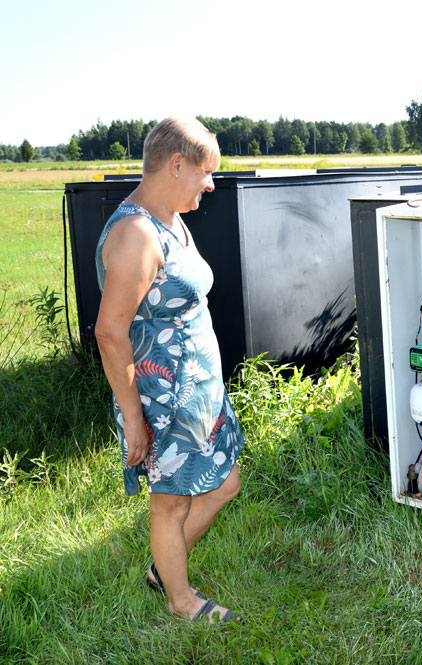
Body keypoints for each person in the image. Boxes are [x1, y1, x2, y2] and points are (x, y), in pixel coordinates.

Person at [94, 117, 244, 623]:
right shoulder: (136, 234)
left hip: (198, 392)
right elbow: (110, 332)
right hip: (162, 402)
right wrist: (134, 418)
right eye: (206, 172)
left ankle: (164, 568)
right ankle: (180, 599)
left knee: (225, 483)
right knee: (170, 505)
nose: (211, 183)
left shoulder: (172, 221)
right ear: (176, 164)